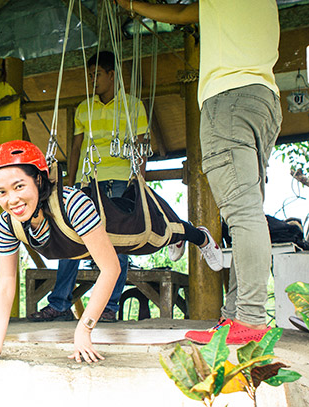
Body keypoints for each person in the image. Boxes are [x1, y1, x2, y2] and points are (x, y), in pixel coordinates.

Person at [114, 0, 282, 345]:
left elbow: (177, 14)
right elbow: (184, 13)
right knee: (249, 213)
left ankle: (249, 318)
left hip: (229, 99)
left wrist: (131, 4)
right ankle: (238, 316)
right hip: (264, 100)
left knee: (242, 214)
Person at [0, 140, 222, 364]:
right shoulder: (8, 223)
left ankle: (198, 235)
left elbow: (111, 268)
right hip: (81, 243)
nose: (11, 199)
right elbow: (6, 282)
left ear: (39, 179)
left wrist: (84, 329)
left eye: (19, 186)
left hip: (121, 226)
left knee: (162, 234)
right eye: (2, 192)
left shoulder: (73, 203)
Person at [28, 51, 149, 324]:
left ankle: (109, 307)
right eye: (90, 75)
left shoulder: (133, 106)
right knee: (71, 238)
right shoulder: (84, 108)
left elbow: (140, 146)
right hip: (87, 182)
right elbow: (75, 146)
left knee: (118, 242)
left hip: (121, 182)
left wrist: (139, 183)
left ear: (112, 76)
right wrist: (68, 183)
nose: (93, 79)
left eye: (97, 75)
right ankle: (59, 305)